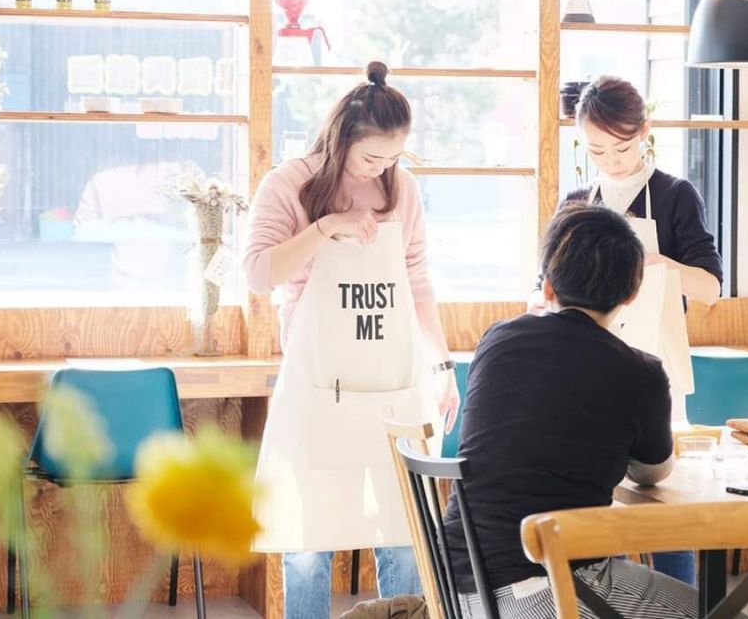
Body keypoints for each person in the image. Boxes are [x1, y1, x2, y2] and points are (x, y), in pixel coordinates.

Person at [243, 61, 460, 619]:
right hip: (318, 382)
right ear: (341, 138)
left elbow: (417, 281)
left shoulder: (401, 188)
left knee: (403, 527)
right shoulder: (289, 184)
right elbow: (259, 273)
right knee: (308, 537)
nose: (381, 170)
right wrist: (325, 228)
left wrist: (442, 367)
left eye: (392, 158)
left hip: (393, 379)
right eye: (370, 158)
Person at [445, 202, 697, 619]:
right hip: (549, 587)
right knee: (720, 612)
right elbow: (653, 472)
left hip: (457, 589)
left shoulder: (497, 340)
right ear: (632, 294)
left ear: (547, 286)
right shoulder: (640, 372)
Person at [532, 75, 721, 585]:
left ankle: (678, 603)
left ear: (645, 132)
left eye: (622, 147)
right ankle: (602, 598)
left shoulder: (675, 196)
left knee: (664, 502)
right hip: (581, 373)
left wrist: (656, 264)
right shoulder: (578, 201)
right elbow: (541, 286)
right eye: (597, 151)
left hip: (652, 371)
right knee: (593, 497)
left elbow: (710, 288)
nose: (611, 161)